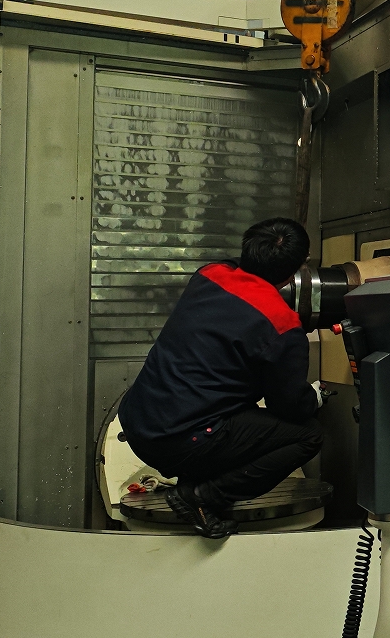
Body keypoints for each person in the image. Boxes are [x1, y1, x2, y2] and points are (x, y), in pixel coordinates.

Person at [119, 217, 323, 539]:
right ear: (293, 272)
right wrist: (314, 397)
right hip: (179, 440)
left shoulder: (209, 275)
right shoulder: (281, 324)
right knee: (307, 434)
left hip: (137, 421)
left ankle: (196, 480)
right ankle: (201, 497)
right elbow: (289, 406)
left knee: (233, 411)